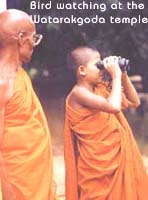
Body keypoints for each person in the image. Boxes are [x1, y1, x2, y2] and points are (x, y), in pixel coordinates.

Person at [64, 46, 148, 200]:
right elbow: (113, 107)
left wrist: (122, 75)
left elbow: (134, 101)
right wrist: (115, 77)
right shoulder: (78, 93)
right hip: (96, 168)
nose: (102, 68)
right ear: (82, 70)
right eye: (98, 65)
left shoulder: (100, 89)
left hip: (115, 160)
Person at [0, 9, 57, 200]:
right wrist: (7, 191)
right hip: (17, 182)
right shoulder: (3, 81)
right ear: (21, 38)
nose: (35, 43)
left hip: (35, 174)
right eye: (34, 38)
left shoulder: (19, 73)